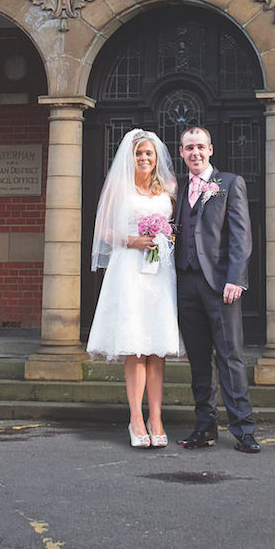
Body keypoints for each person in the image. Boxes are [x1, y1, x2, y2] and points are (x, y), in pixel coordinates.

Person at [87, 129, 182, 449]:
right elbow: (101, 228)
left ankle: (156, 418)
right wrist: (132, 240)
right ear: (131, 157)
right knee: (136, 345)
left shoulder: (168, 187)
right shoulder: (119, 186)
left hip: (158, 273)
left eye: (149, 154)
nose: (144, 158)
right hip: (128, 268)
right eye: (139, 153)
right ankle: (136, 419)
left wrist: (163, 238)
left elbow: (176, 228)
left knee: (157, 347)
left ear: (157, 159)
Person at [174, 126, 260, 453]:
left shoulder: (229, 183)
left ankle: (244, 429)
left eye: (200, 147)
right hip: (185, 283)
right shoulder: (179, 187)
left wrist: (236, 278)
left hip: (221, 284)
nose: (195, 153)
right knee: (198, 360)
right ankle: (205, 428)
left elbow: (241, 235)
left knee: (230, 356)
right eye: (188, 148)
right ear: (181, 153)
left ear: (210, 149)